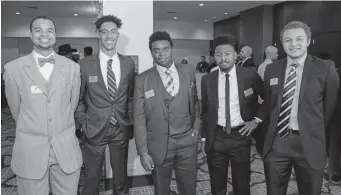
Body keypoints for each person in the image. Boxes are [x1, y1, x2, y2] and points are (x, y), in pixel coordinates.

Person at [3, 16, 82, 195]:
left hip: (65, 147)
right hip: (31, 149)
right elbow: (16, 110)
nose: (44, 34)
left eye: (49, 30)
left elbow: (72, 105)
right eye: (38, 30)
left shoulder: (72, 68)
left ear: (55, 35)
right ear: (31, 35)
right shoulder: (13, 69)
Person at [262, 21, 339, 195]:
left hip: (310, 143)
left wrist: (311, 126)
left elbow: (329, 107)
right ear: (282, 44)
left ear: (308, 41)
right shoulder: (272, 69)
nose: (293, 44)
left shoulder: (325, 68)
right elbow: (270, 104)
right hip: (278, 143)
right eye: (288, 40)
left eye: (299, 39)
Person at [133, 31, 201, 195]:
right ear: (151, 52)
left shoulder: (188, 70)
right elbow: (138, 117)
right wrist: (143, 151)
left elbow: (195, 103)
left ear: (172, 49)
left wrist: (196, 130)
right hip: (159, 144)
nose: (161, 53)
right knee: (161, 188)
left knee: (189, 187)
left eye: (165, 49)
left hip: (187, 141)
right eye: (156, 50)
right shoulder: (142, 80)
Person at [75, 15, 135, 195]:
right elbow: (78, 99)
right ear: (98, 35)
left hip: (120, 129)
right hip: (93, 129)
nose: (109, 36)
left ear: (118, 34)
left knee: (121, 178)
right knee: (91, 179)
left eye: (113, 31)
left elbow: (131, 96)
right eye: (104, 32)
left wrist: (129, 118)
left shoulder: (128, 63)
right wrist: (83, 124)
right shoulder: (84, 65)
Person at [201, 34, 266, 195]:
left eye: (227, 53)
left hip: (240, 137)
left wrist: (256, 121)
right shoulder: (207, 79)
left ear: (236, 55)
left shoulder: (249, 75)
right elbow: (204, 111)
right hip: (216, 137)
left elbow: (268, 99)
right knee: (217, 184)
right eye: (218, 54)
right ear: (214, 57)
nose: (223, 58)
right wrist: (204, 137)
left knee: (242, 183)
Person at [328, 67, 341, 185]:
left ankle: (334, 173)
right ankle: (334, 173)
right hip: (337, 114)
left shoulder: (336, 72)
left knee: (335, 145)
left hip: (336, 114)